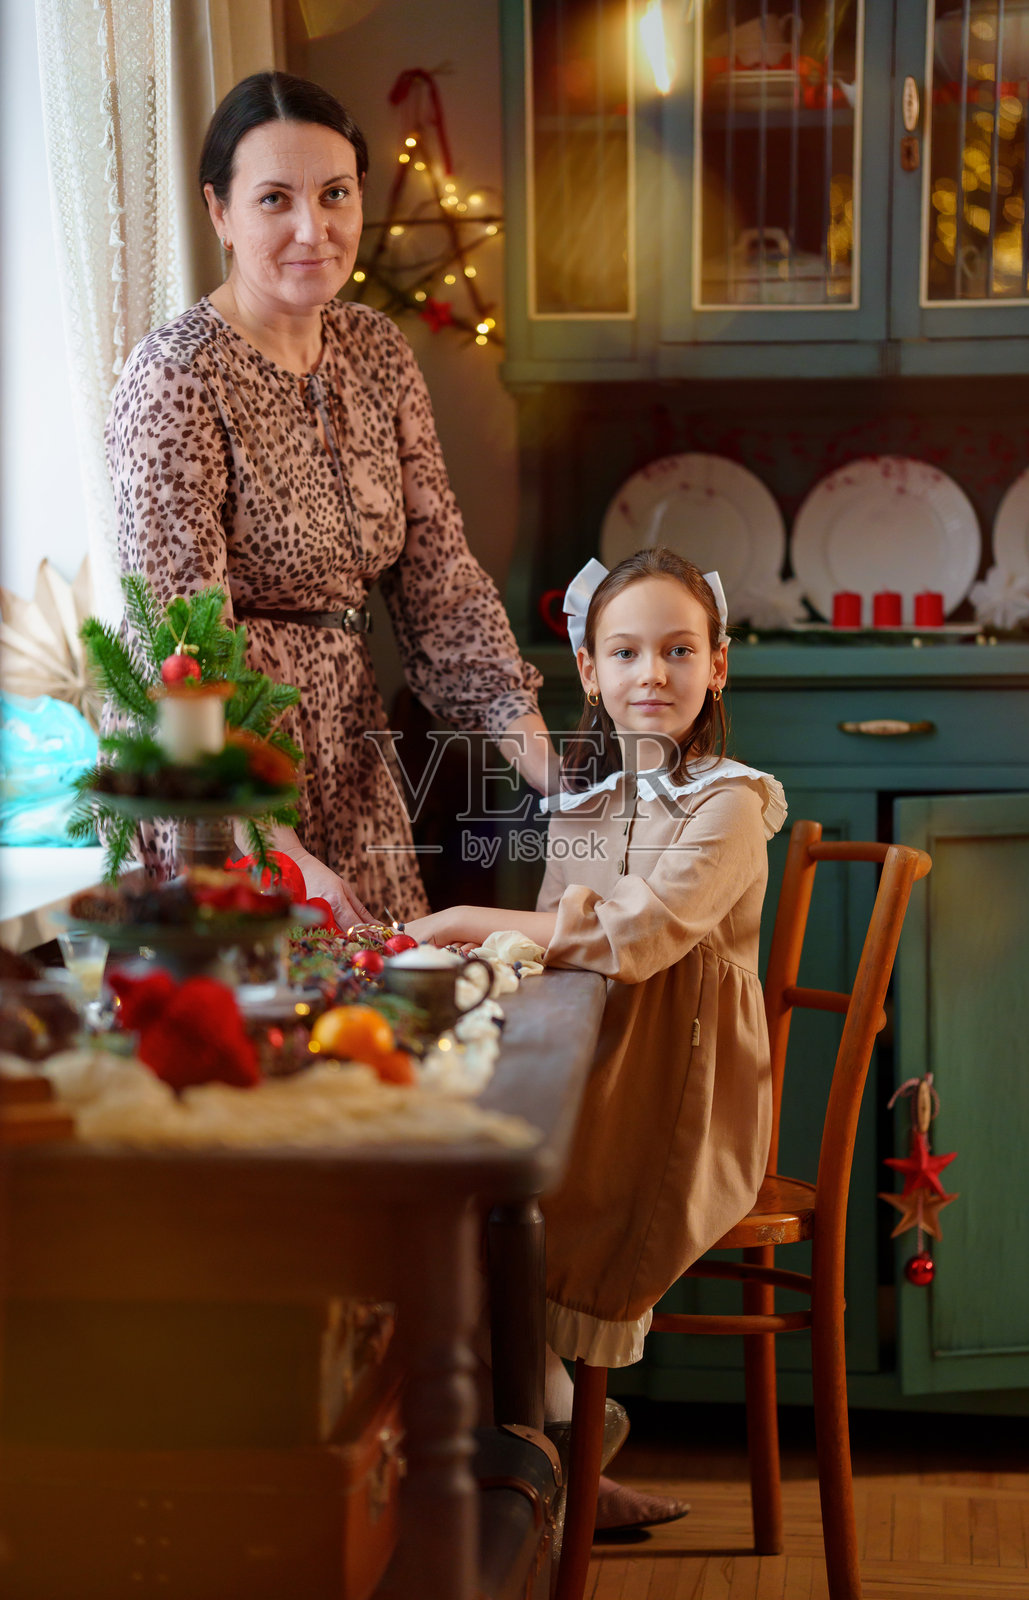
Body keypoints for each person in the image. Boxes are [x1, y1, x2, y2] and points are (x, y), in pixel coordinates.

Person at [106, 71, 556, 927]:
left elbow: (440, 583)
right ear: (219, 212)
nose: (313, 228)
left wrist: (554, 775)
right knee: (256, 1003)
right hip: (217, 779)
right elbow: (180, 647)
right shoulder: (175, 377)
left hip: (352, 756)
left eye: (335, 194)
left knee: (388, 997)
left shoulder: (377, 352)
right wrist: (272, 843)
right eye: (274, 198)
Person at [407, 546, 786, 1529]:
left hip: (677, 1092)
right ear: (587, 669)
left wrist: (460, 920)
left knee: (504, 1207)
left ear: (717, 666)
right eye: (624, 652)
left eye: (677, 650)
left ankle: (555, 1454)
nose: (650, 673)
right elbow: (546, 946)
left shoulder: (730, 802)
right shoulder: (585, 804)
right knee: (449, 1183)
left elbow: (634, 935)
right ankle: (555, 1450)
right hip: (589, 1063)